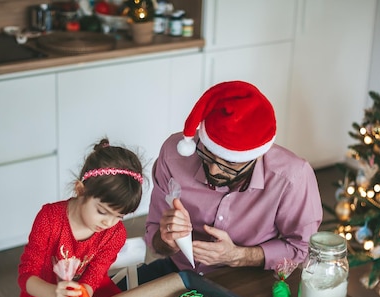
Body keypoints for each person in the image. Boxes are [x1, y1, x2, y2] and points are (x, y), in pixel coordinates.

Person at [138, 80, 323, 282]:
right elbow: (154, 234)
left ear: (258, 155)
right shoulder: (175, 155)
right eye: (208, 154)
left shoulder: (292, 177)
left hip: (248, 278)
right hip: (178, 270)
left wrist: (238, 256)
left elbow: (302, 249)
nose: (214, 169)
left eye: (230, 163)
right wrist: (167, 240)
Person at [11, 139, 143, 297]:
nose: (109, 223)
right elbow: (26, 275)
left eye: (119, 216)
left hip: (90, 294)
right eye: (102, 211)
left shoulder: (115, 233)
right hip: (46, 294)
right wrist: (57, 294)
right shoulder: (50, 219)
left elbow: (94, 276)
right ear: (81, 190)